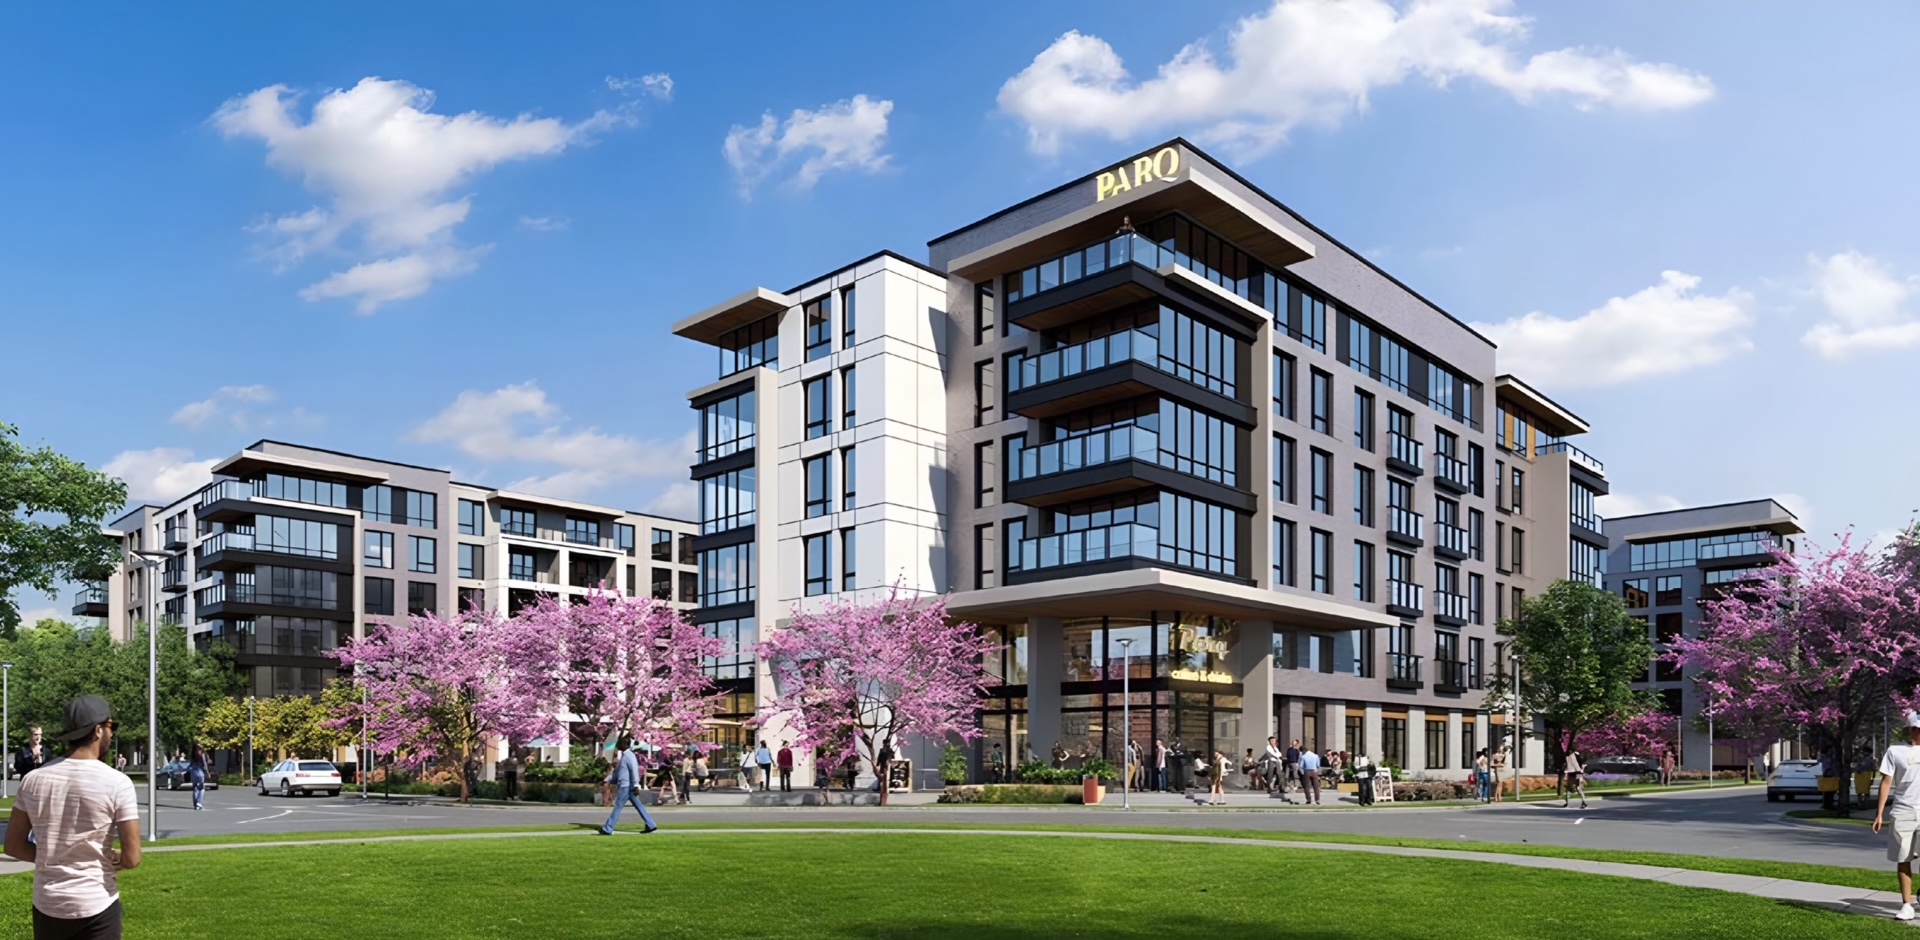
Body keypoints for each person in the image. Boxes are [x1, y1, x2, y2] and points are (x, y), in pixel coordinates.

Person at [6, 695, 142, 938]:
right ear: (99, 730)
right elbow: (132, 858)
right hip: (97, 902)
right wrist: (112, 859)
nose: (112, 734)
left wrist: (54, 857)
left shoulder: (33, 780)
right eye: (112, 726)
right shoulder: (117, 783)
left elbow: (14, 846)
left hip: (48, 904)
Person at [1875, 713, 1920, 921]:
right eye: (1916, 728)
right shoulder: (1895, 751)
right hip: (1903, 811)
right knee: (1903, 858)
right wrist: (1879, 813)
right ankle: (1907, 905)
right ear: (1910, 729)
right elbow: (1886, 782)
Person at [597, 736, 658, 836]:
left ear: (624, 744)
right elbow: (618, 772)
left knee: (618, 806)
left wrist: (636, 785)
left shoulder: (629, 756)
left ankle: (608, 829)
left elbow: (634, 770)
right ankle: (651, 824)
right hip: (628, 786)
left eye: (619, 743)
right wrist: (606, 780)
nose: (617, 745)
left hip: (626, 786)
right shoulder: (624, 756)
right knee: (638, 806)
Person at [187, 743, 209, 811]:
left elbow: (190, 765)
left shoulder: (193, 755)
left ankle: (195, 804)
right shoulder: (202, 754)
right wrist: (207, 772)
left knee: (195, 788)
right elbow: (205, 764)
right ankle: (199, 803)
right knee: (201, 788)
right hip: (200, 771)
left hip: (193, 772)